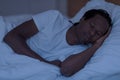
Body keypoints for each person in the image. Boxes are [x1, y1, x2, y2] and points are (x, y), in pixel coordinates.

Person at [3, 9, 112, 77]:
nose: (92, 33)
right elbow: (11, 37)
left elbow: (66, 70)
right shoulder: (54, 18)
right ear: (83, 19)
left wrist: (96, 46)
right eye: (91, 26)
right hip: (10, 51)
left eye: (98, 33)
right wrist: (44, 62)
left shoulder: (83, 52)